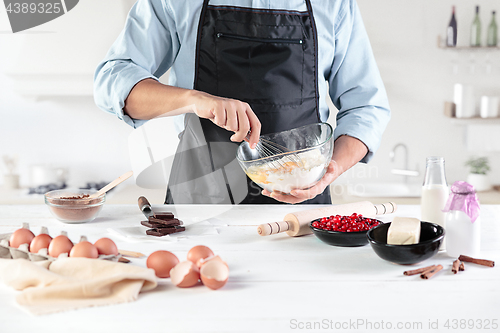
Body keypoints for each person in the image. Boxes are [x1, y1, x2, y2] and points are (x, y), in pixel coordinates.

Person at [94, 0, 390, 205]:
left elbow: (367, 107)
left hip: (301, 212)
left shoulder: (334, 4)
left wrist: (329, 172)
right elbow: (112, 82)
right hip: (200, 207)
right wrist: (195, 100)